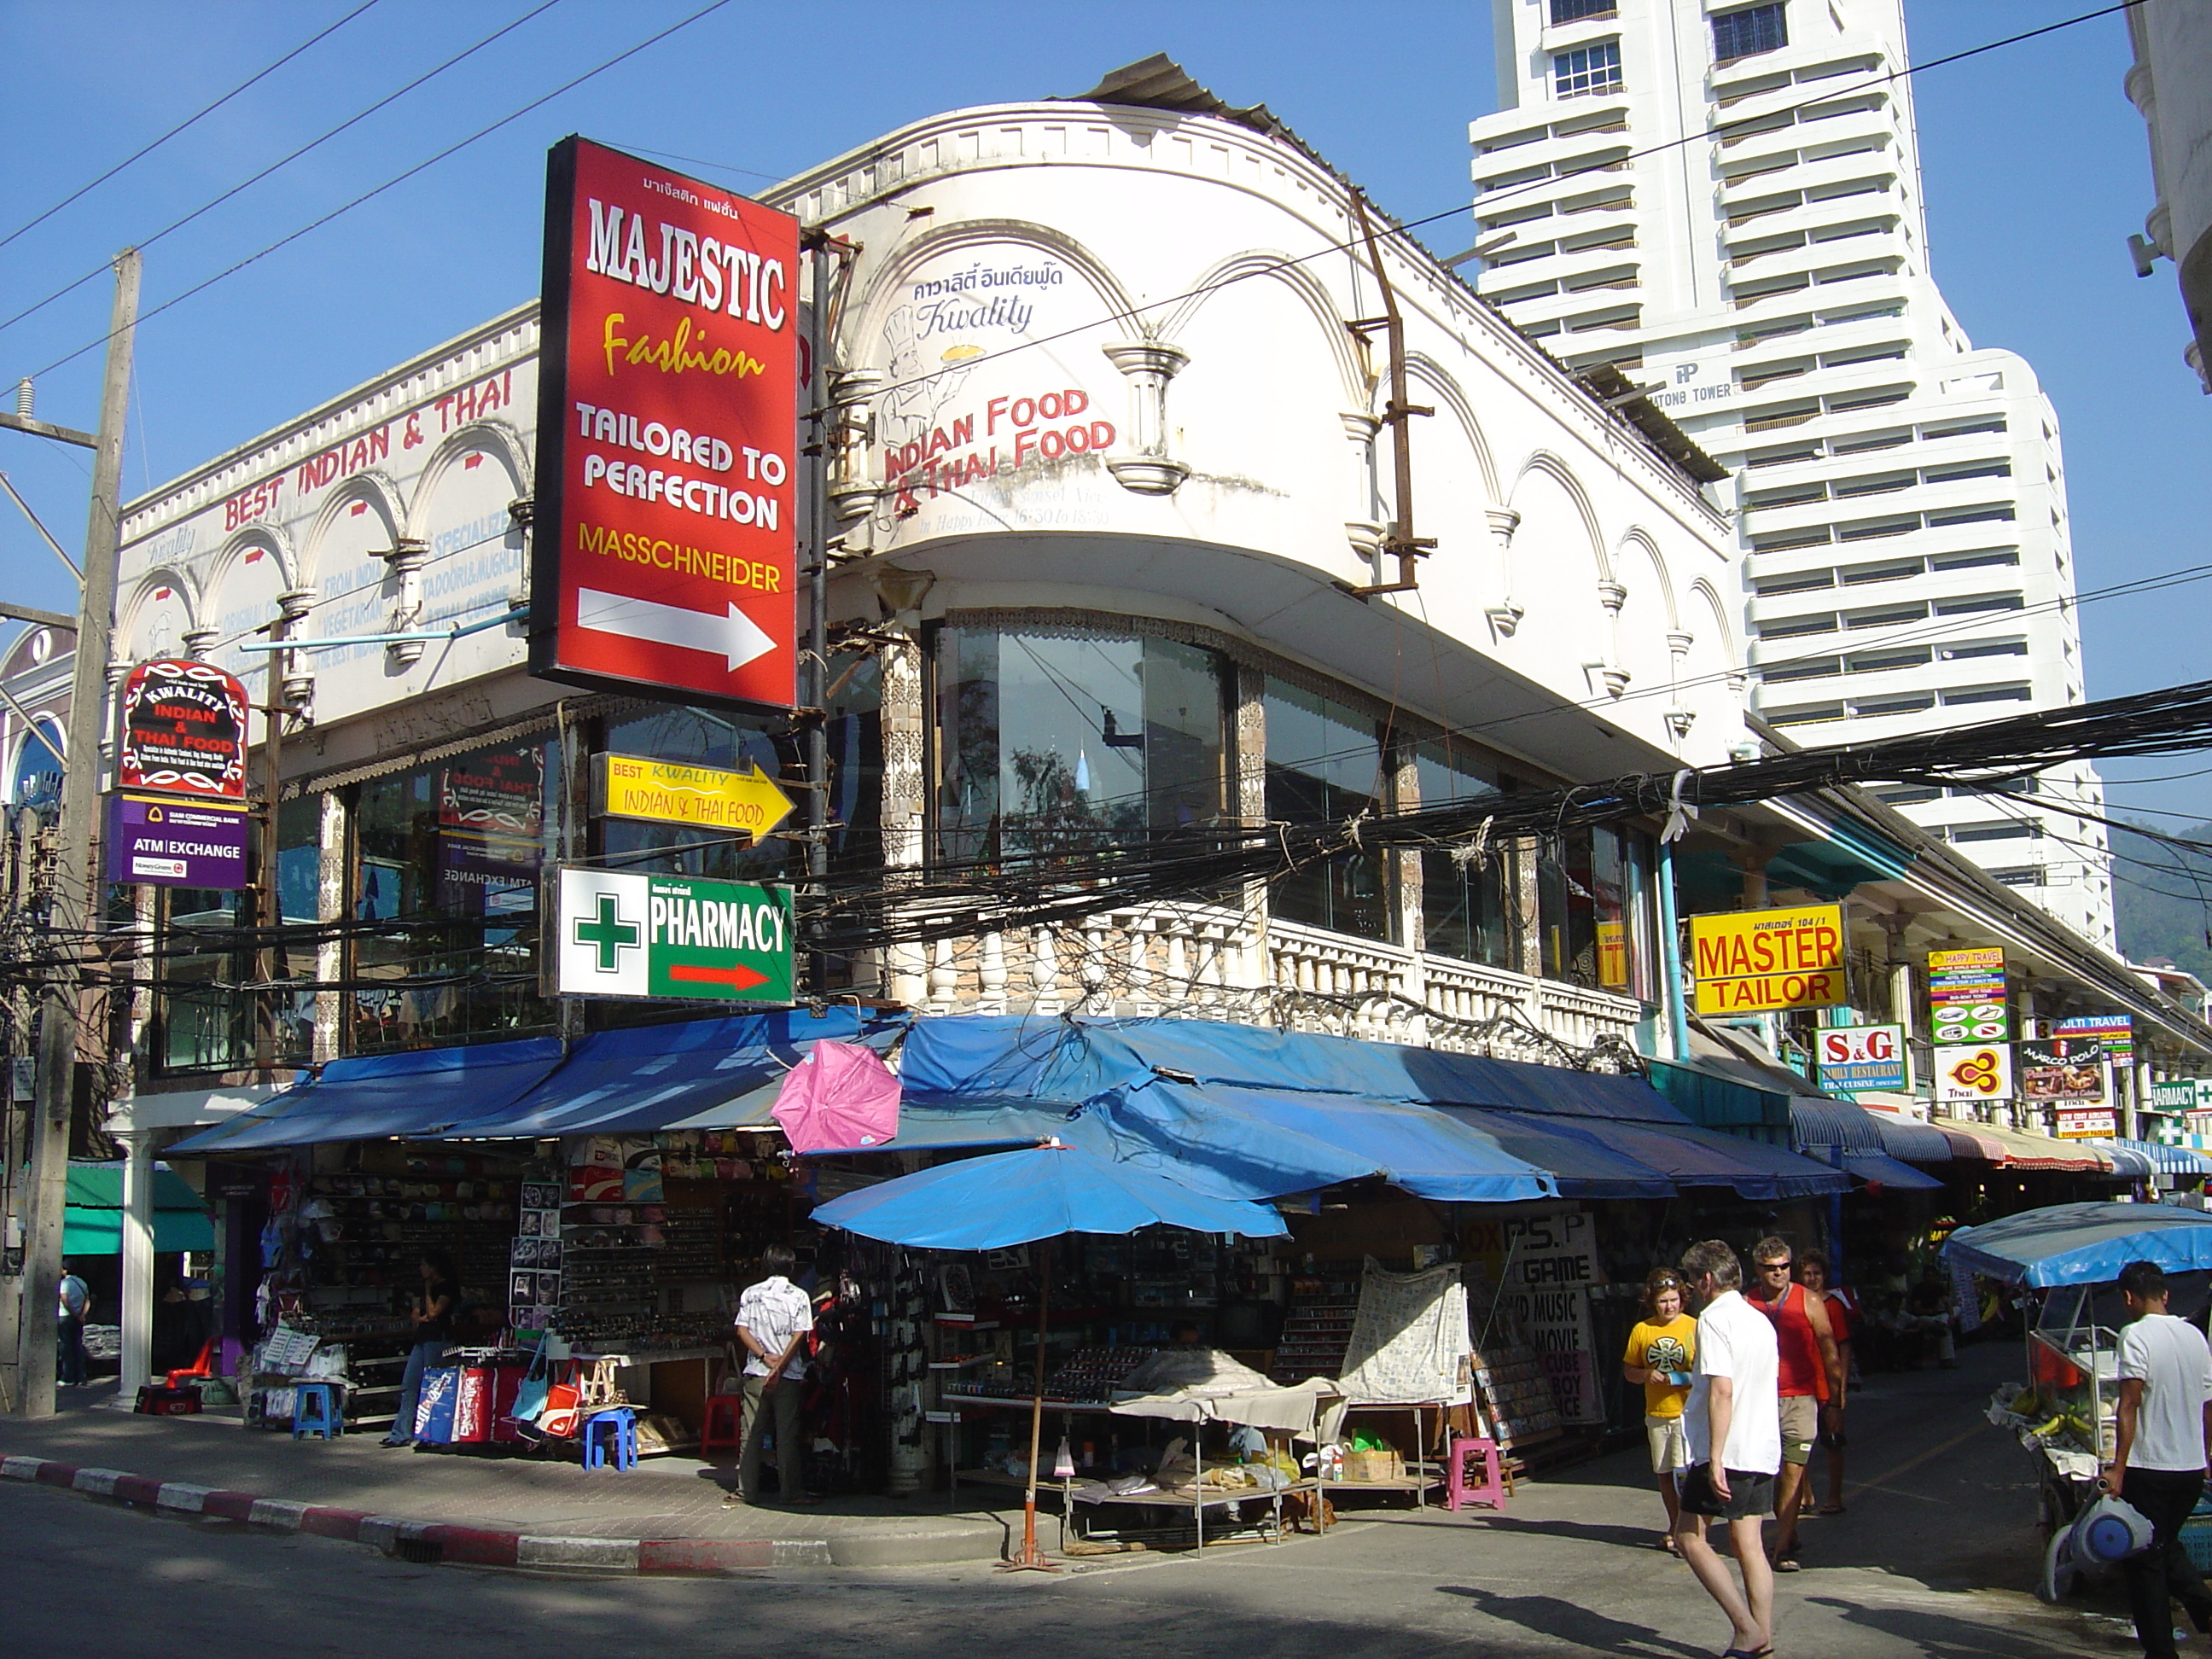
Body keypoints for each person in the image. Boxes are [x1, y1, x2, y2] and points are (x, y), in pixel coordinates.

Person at [1674, 1238, 1781, 1659]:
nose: (1693, 1293)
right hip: (1760, 1446)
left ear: (1705, 1280)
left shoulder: (1714, 1320)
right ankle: (1763, 1638)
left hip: (1727, 1448)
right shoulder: (1759, 1320)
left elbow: (1722, 1390)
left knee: (1689, 1536)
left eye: (1693, 1283)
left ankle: (1745, 1629)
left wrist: (1715, 1458)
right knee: (1749, 1543)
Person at [2104, 1259, 2212, 1659]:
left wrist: (2117, 1468)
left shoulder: (2134, 1336)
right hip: (2189, 1470)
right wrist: (2205, 1456)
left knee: (2145, 1560)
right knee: (2164, 1544)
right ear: (2165, 1295)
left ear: (2128, 1298)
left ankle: (2161, 1651)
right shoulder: (2194, 1336)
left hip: (2150, 1468)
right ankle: (2202, 1607)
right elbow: (2208, 1405)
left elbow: (2128, 1404)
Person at [1746, 1237, 1844, 1574]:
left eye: (1785, 1267)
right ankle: (1790, 1531)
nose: (1779, 1274)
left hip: (1800, 1399)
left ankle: (1782, 1547)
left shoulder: (1810, 1300)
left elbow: (1830, 1352)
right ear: (1758, 1270)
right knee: (1769, 1476)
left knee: (1793, 1471)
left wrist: (1834, 1403)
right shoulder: (1748, 1303)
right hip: (1759, 1401)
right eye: (1771, 1268)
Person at [1621, 1267, 1698, 1553]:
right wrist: (1645, 1375)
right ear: (1653, 1302)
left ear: (1682, 1298)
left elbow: (1704, 1371)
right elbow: (1629, 1370)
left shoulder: (1694, 1327)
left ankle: (1689, 1530)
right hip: (1656, 1413)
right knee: (1664, 1474)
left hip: (1686, 1414)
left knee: (1685, 1475)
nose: (1669, 1306)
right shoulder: (1642, 1330)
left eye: (1673, 1300)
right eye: (1663, 1301)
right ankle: (1676, 1525)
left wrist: (1678, 1379)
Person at [732, 1243, 815, 1505]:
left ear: (766, 1265)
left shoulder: (751, 1294)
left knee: (751, 1434)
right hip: (787, 1375)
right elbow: (800, 1334)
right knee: (786, 1434)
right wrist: (779, 1367)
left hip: (756, 1372)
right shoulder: (799, 1296)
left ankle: (746, 1491)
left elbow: (742, 1331)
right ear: (791, 1266)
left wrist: (763, 1357)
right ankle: (790, 1492)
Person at [381, 1250, 457, 1447]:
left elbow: (433, 1313)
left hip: (438, 1339)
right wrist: (423, 1313)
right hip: (422, 1339)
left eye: (424, 1265)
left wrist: (428, 1293)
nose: (421, 1269)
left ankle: (431, 1434)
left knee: (433, 1387)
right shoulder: (422, 1288)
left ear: (434, 1268)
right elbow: (417, 1316)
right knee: (410, 1385)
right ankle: (401, 1433)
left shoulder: (446, 1287)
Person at [1901, 1266, 1959, 1368]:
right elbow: (1917, 1308)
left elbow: (1946, 1303)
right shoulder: (1918, 1289)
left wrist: (1951, 1316)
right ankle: (1946, 1359)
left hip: (1939, 1317)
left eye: (1933, 1276)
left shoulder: (1939, 1287)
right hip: (1925, 1318)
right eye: (1928, 1276)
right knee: (1944, 1327)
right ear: (1924, 1277)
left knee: (1955, 1310)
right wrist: (1930, 1311)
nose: (1930, 1278)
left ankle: (1943, 1324)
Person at [56, 1260, 90, 1388]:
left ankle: (68, 1377)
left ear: (65, 1270)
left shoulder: (64, 1283)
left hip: (65, 1317)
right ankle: (81, 1377)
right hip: (78, 1319)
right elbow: (87, 1299)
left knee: (66, 1348)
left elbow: (65, 1300)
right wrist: (82, 1315)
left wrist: (74, 1314)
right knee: (78, 1346)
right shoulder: (82, 1282)